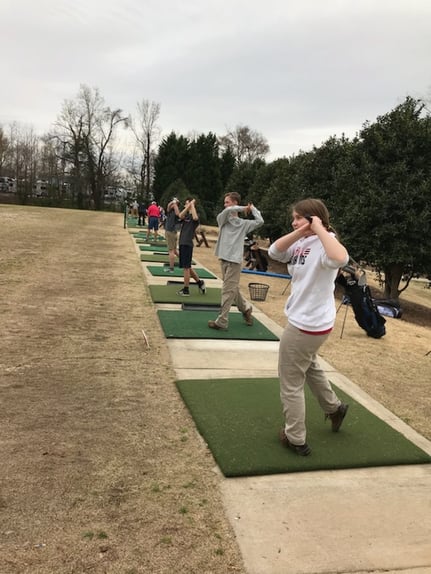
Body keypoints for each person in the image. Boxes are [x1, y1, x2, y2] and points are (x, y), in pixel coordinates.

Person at [268, 198, 350, 456]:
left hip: (308, 324)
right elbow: (274, 252)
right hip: (307, 321)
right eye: (293, 218)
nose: (293, 221)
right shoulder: (303, 242)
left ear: (315, 218)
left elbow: (341, 258)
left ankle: (295, 438)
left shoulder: (327, 243)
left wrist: (318, 229)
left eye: (298, 217)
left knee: (290, 381)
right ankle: (334, 408)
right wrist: (301, 230)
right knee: (309, 364)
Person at [208, 192, 263, 330]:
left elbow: (260, 221)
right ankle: (246, 309)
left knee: (227, 290)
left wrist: (253, 209)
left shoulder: (244, 224)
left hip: (234, 261)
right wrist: (243, 208)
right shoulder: (223, 220)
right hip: (224, 259)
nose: (224, 205)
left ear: (235, 203)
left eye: (227, 202)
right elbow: (228, 211)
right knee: (232, 289)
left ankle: (222, 321)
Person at [177, 198, 206, 296]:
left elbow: (195, 218)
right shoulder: (185, 216)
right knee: (187, 267)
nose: (186, 205)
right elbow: (180, 215)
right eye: (185, 204)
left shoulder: (194, 216)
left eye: (187, 204)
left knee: (186, 267)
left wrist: (192, 205)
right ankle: (199, 282)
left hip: (187, 243)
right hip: (182, 242)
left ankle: (186, 290)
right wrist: (188, 206)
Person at [164, 197, 181, 273]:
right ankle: (184, 261)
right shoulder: (170, 211)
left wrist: (175, 203)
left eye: (174, 204)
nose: (172, 205)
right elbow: (168, 206)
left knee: (171, 251)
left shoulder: (176, 211)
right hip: (172, 232)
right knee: (175, 251)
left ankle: (171, 269)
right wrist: (173, 202)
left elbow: (178, 214)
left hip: (171, 232)